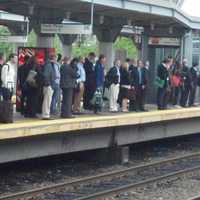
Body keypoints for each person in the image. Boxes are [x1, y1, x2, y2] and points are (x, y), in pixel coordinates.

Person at [42, 53, 58, 120]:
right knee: (47, 101)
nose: (56, 59)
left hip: (49, 85)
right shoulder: (49, 65)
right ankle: (46, 115)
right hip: (48, 85)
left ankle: (46, 114)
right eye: (56, 58)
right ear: (53, 58)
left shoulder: (49, 64)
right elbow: (46, 75)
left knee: (48, 100)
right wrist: (49, 84)